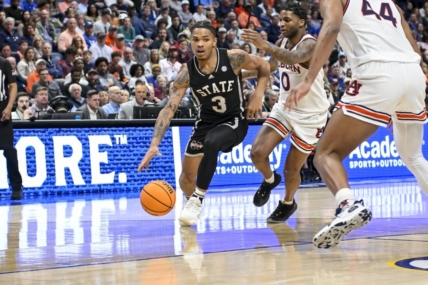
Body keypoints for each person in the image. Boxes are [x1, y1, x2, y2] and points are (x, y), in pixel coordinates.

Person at [287, 0, 428, 249]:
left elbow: (330, 28)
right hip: (413, 72)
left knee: (325, 154)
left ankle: (348, 205)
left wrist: (309, 80)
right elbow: (410, 44)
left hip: (377, 72)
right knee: (413, 156)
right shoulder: (389, 3)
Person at [137, 21, 270, 226]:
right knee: (186, 179)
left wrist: (258, 95)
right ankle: (193, 208)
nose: (200, 44)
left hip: (234, 120)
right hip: (205, 123)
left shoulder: (233, 58)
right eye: (196, 40)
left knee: (212, 142)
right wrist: (154, 144)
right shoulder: (187, 73)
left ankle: (198, 198)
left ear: (214, 42)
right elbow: (168, 109)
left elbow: (264, 66)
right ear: (190, 43)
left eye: (205, 40)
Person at [241, 4, 330, 222]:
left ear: (301, 22)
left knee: (292, 170)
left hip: (311, 115)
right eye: (280, 20)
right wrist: (240, 74)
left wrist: (264, 44)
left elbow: (293, 58)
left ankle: (288, 202)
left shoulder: (310, 43)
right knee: (256, 153)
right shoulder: (281, 42)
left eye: (287, 20)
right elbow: (271, 66)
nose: (281, 23)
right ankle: (270, 179)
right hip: (285, 108)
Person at [0, 56, 23, 200]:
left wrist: (9, 107)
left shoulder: (3, 62)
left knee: (9, 149)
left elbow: (13, 85)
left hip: (2, 106)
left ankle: (16, 186)